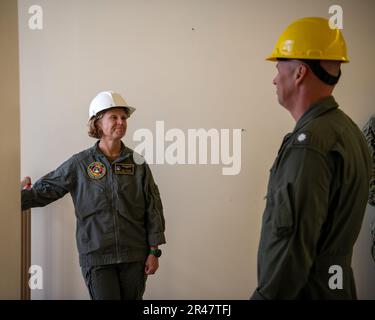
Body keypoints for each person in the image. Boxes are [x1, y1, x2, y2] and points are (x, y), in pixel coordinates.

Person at [250, 17, 372, 299]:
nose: (274, 78)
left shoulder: (310, 145)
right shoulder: (348, 131)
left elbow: (291, 244)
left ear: (299, 73)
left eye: (278, 67)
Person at [21, 90, 166, 300]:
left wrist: (154, 252)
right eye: (113, 117)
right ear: (97, 123)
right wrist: (10, 198)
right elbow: (46, 190)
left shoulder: (137, 163)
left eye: (123, 118)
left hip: (134, 255)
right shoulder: (80, 163)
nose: (121, 122)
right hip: (97, 257)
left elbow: (153, 207)